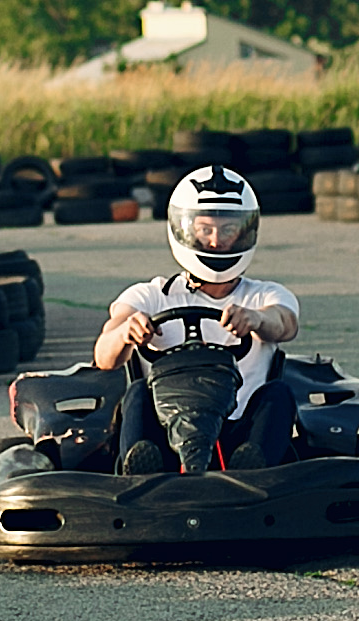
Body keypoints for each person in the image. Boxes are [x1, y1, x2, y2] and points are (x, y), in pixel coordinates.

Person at [90, 166, 301, 472]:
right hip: (166, 436)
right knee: (137, 391)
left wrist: (255, 320)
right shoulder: (150, 295)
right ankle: (140, 472)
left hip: (239, 438)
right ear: (185, 230)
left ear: (245, 232)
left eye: (228, 230)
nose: (216, 241)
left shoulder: (265, 296)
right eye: (205, 229)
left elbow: (284, 323)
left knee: (279, 393)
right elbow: (104, 356)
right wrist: (126, 331)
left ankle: (254, 473)